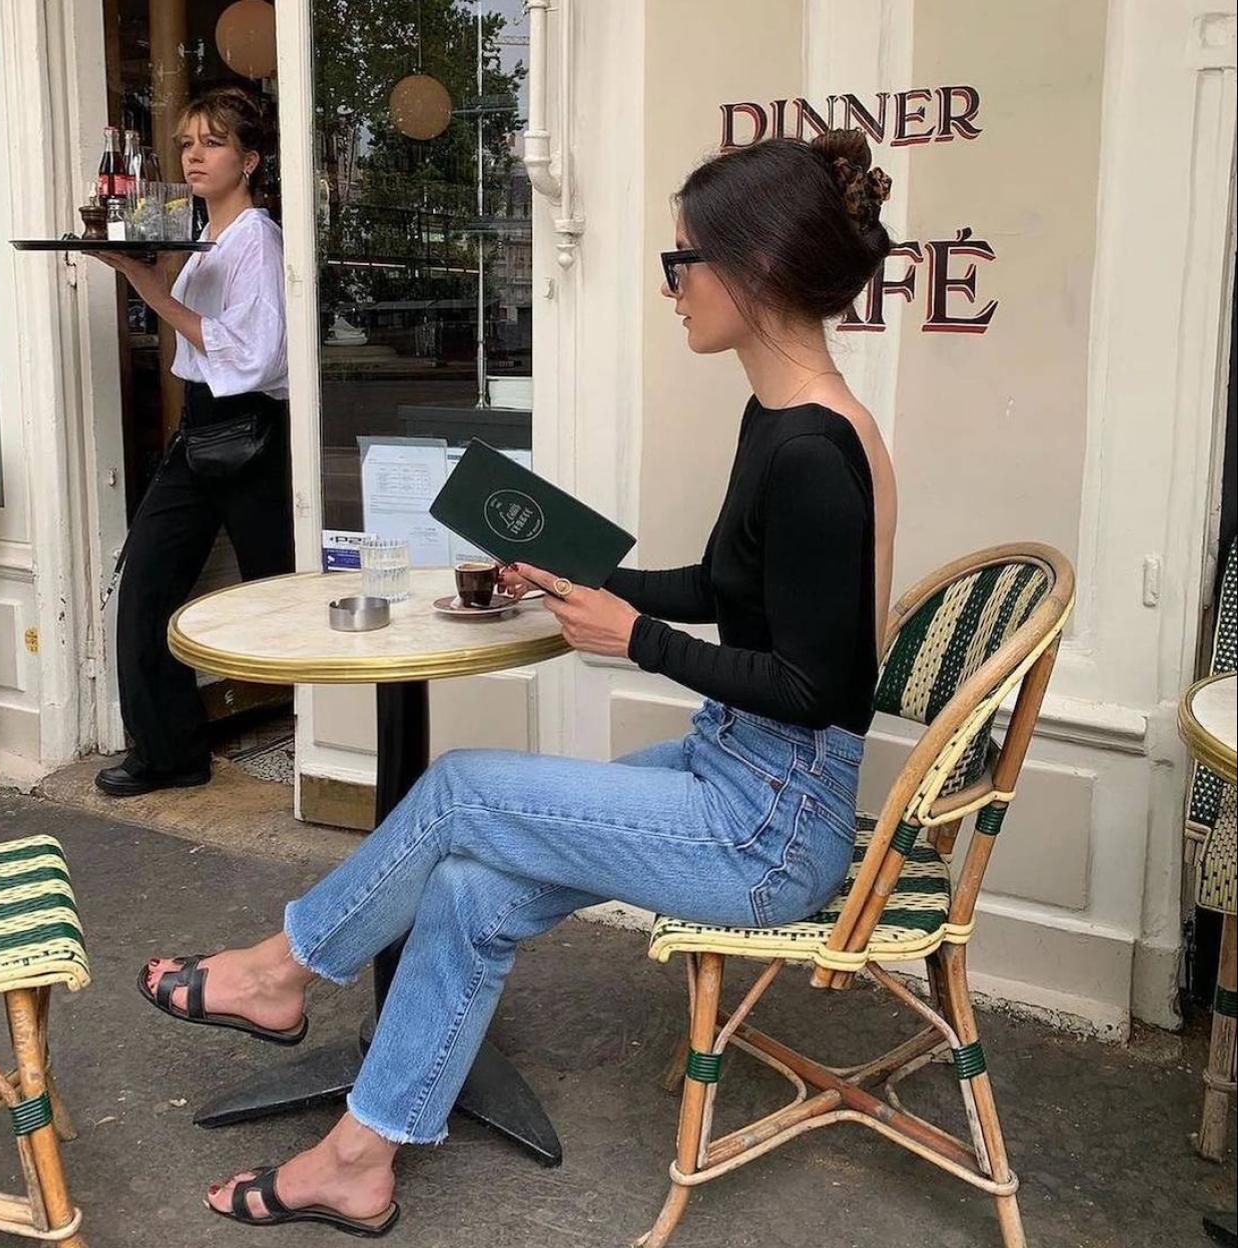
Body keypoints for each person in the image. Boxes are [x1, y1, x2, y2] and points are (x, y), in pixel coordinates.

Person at [138, 128, 899, 1235]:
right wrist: (575, 576)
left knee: (460, 788)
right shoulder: (781, 420)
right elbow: (728, 585)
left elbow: (822, 687)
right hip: (735, 771)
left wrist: (636, 639)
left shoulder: (816, 452)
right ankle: (358, 1158)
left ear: (759, 265)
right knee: (465, 890)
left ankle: (279, 971)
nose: (671, 287)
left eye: (682, 260)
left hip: (769, 828)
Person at [91, 86, 291, 797]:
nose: (194, 156)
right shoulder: (205, 238)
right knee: (147, 584)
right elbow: (197, 334)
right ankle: (169, 751)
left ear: (250, 159)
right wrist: (147, 274)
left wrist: (154, 294)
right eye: (186, 144)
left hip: (251, 431)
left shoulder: (256, 239)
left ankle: (344, 746)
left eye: (212, 142)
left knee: (286, 592)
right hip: (202, 428)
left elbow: (256, 356)